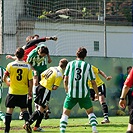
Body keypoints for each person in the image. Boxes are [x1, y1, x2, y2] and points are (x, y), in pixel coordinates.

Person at [60, 47, 99, 133]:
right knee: (90, 112)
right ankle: (94, 129)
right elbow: (93, 82)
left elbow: (65, 79)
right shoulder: (87, 66)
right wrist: (97, 94)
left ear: (76, 54)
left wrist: (66, 89)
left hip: (71, 93)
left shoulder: (70, 64)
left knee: (65, 113)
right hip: (84, 94)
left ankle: (62, 131)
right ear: (85, 56)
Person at [23, 58, 68, 132]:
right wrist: (50, 85)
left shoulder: (52, 68)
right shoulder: (60, 74)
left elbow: (42, 74)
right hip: (45, 89)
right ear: (65, 67)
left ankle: (37, 126)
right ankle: (28, 123)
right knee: (41, 109)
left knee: (44, 107)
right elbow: (55, 87)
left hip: (40, 86)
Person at [3, 47, 33, 133]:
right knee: (24, 109)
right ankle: (27, 122)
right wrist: (29, 92)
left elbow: (5, 77)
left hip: (12, 91)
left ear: (15, 55)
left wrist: (8, 83)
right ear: (24, 55)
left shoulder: (10, 65)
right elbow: (30, 81)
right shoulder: (27, 66)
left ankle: (7, 130)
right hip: (23, 92)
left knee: (9, 110)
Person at [119, 66, 133, 133]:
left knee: (131, 127)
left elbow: (126, 85)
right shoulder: (125, 75)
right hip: (130, 93)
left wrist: (122, 98)